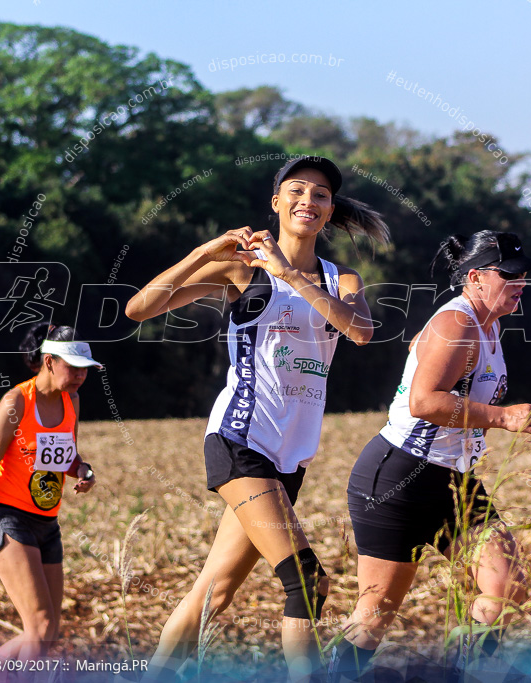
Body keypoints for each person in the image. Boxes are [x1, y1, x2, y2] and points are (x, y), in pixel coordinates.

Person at [125, 156, 389, 682]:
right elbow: (139, 309)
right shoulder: (239, 270)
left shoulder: (342, 279)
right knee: (307, 581)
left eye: (320, 194)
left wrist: (290, 274)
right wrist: (205, 252)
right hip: (240, 441)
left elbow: (360, 331)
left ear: (330, 210)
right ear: (275, 204)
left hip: (291, 457)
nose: (307, 201)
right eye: (296, 191)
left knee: (213, 593)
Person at [331, 231, 531, 681]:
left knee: (505, 588)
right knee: (375, 614)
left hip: (453, 481)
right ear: (475, 278)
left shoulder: (486, 324)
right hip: (398, 477)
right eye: (509, 274)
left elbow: (421, 349)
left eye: (524, 275)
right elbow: (424, 402)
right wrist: (503, 417)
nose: (520, 282)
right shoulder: (459, 323)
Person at [0, 323, 99, 660]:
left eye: (85, 370)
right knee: (40, 628)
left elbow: (68, 456)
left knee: (48, 635)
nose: (80, 376)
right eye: (74, 368)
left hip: (47, 524)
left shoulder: (73, 401)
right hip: (7, 518)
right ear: (50, 361)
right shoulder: (16, 403)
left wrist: (83, 470)